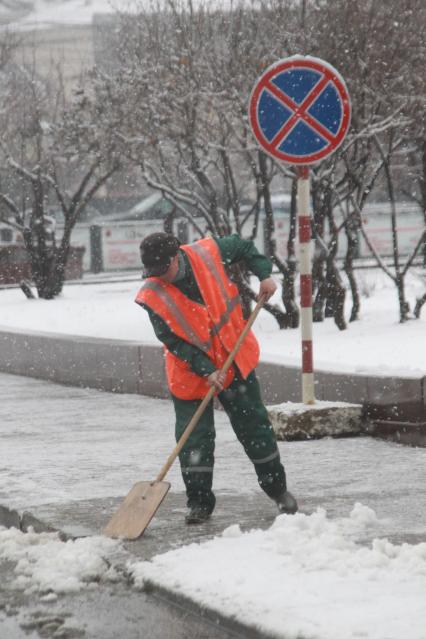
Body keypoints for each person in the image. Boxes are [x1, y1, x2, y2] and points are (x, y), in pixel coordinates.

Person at [136, 231, 298, 524]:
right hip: (190, 373)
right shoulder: (152, 293)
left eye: (164, 269)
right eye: (153, 272)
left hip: (233, 360)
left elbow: (247, 247)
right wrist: (206, 369)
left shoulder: (207, 253)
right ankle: (198, 503)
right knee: (194, 441)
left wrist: (264, 275)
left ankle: (278, 491)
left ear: (176, 257)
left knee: (255, 428)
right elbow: (172, 340)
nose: (160, 277)